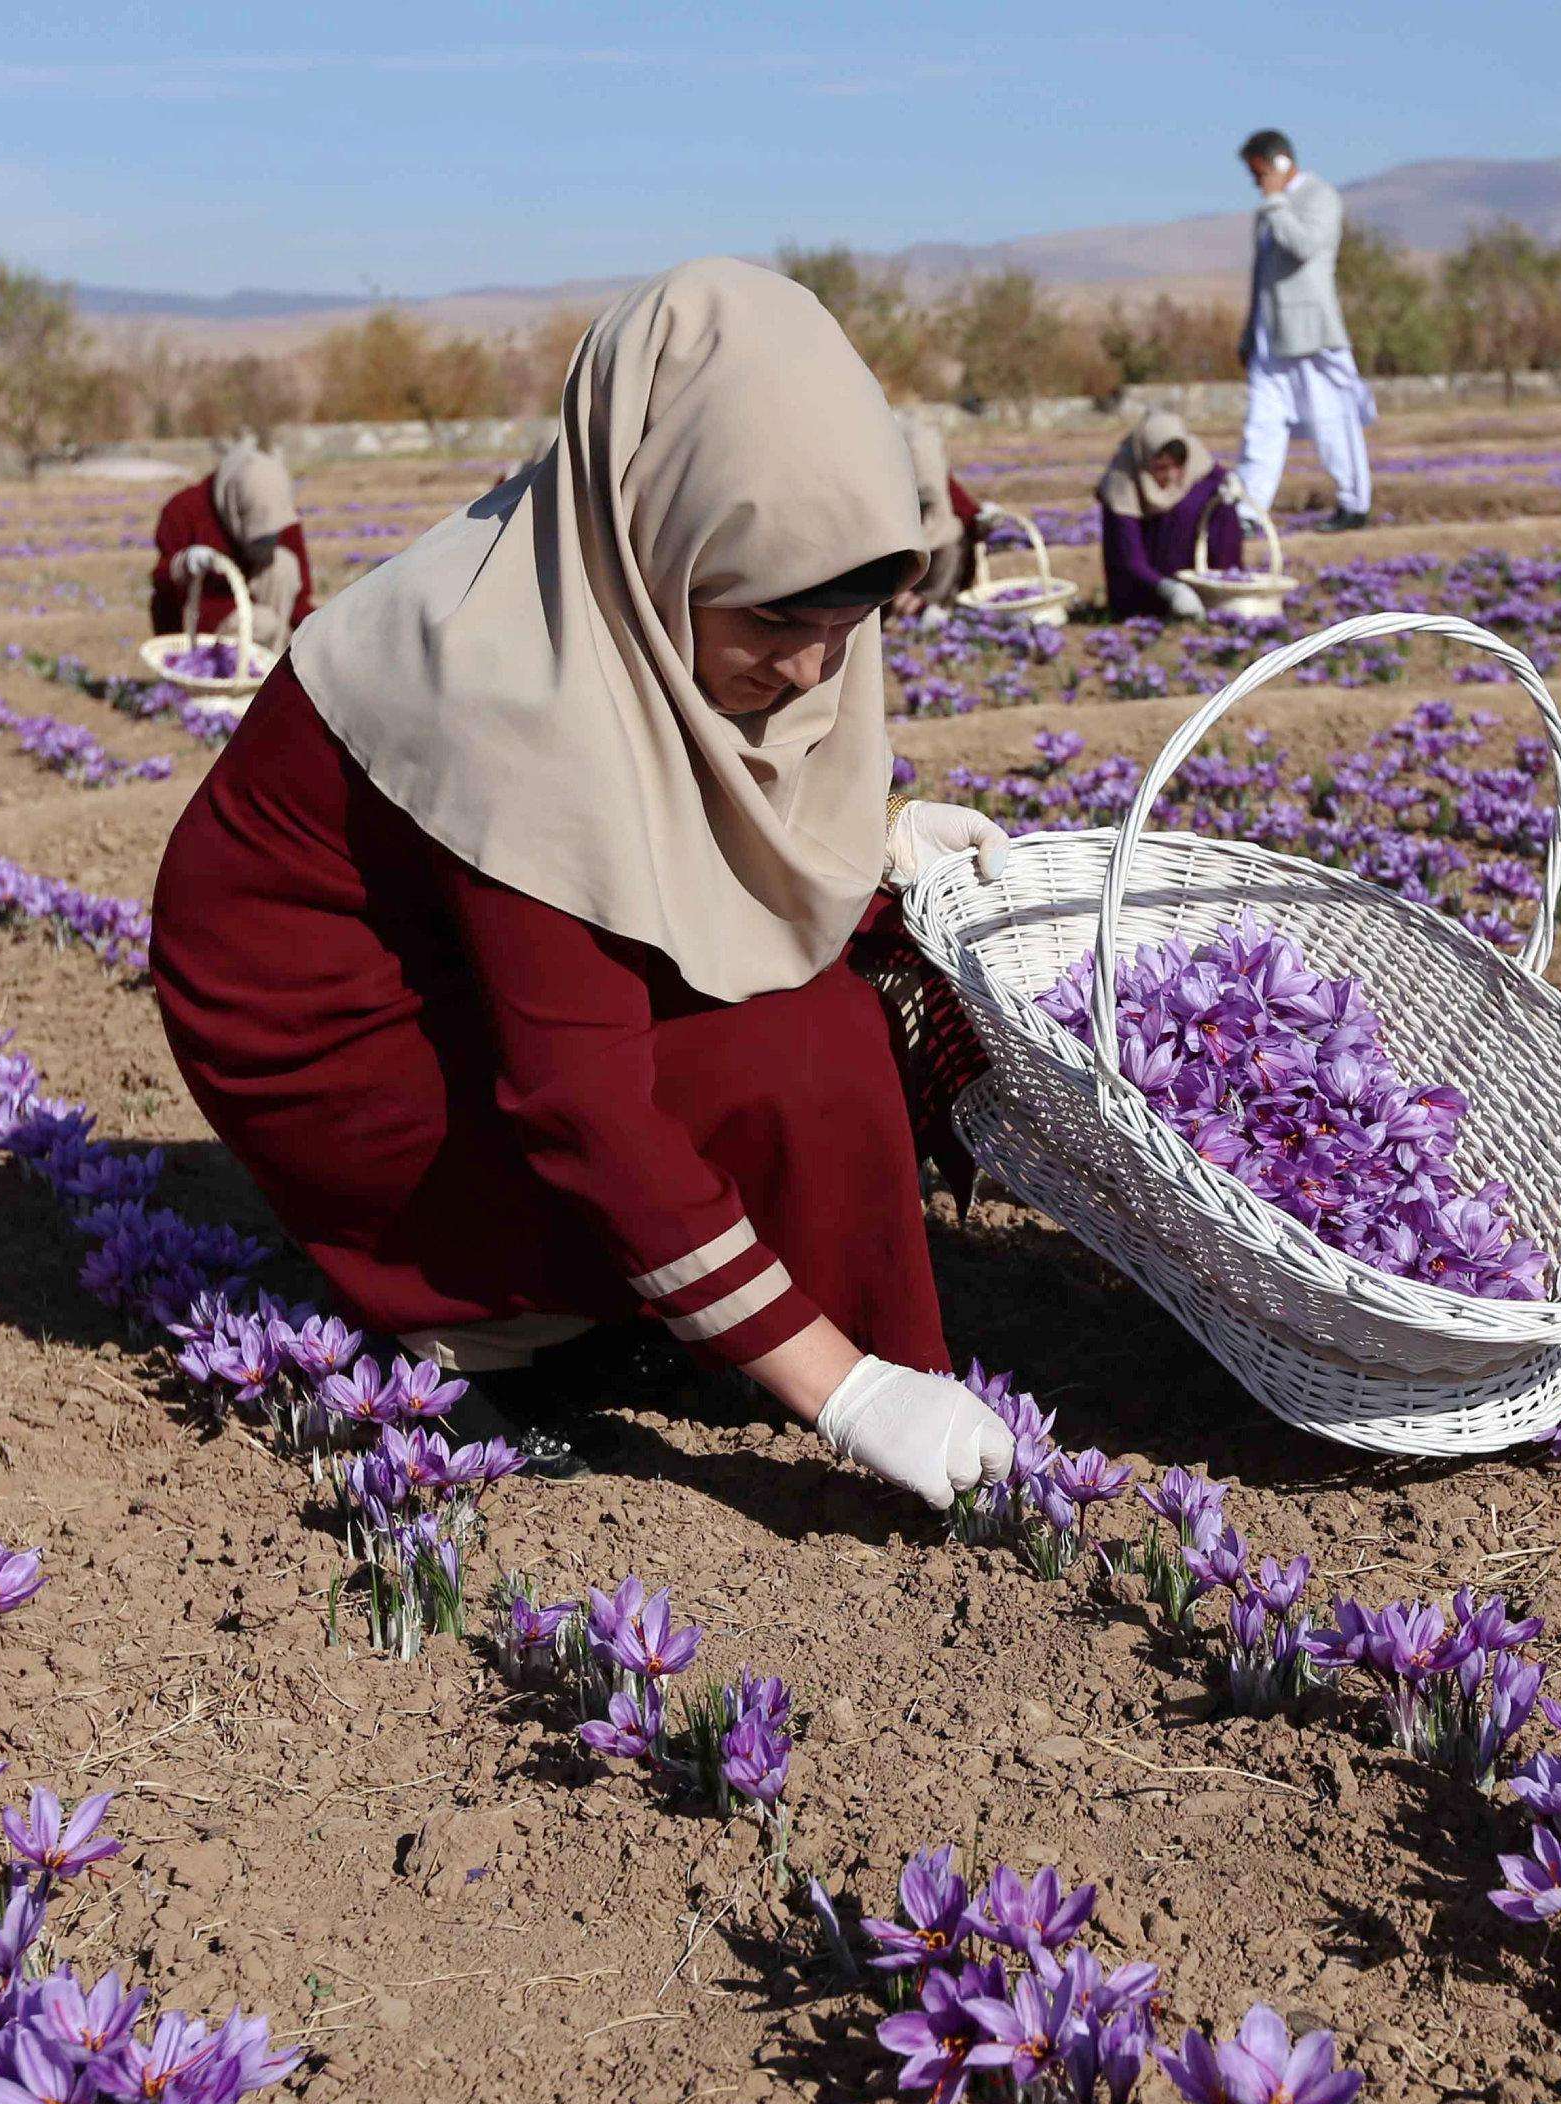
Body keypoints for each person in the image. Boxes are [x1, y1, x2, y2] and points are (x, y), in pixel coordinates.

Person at [148, 259, 1022, 1507]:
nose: (811, 670)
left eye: (849, 621)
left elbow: (676, 823)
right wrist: (848, 1389)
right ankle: (472, 1321)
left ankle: (693, 1298)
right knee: (794, 1055)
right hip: (334, 1030)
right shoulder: (516, 688)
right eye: (771, 625)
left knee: (823, 1002)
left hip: (454, 940)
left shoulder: (654, 577)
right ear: (664, 542)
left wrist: (869, 840)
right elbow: (580, 1104)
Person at [1233, 128, 1375, 532]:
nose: (1256, 184)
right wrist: (1248, 335)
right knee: (1260, 426)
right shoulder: (1268, 210)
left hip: (1311, 333)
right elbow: (1260, 279)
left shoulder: (1319, 197)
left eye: (1259, 174)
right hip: (1271, 337)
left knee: (1332, 420)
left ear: (1279, 163)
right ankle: (1247, 512)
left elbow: (1306, 246)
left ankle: (1353, 504)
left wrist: (1277, 201)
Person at [152, 441, 316, 642]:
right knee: (264, 624)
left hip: (269, 611)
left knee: (283, 564)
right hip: (208, 617)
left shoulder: (276, 509)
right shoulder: (185, 510)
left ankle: (275, 661)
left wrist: (314, 630)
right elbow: (163, 589)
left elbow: (299, 597)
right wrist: (185, 564)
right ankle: (257, 663)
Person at [1093, 408, 1243, 619]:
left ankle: (1219, 590)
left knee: (1218, 499)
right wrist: (1170, 589)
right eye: (1162, 468)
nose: (1172, 476)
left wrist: (1230, 482)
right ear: (1146, 459)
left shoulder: (1193, 457)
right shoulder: (1122, 481)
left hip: (1187, 563)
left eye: (1177, 467)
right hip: (1145, 582)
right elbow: (1129, 556)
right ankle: (1170, 598)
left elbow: (1217, 477)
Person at [889, 418, 982, 618]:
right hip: (894, 558)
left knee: (952, 535)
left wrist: (981, 520)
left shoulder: (926, 452)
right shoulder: (893, 468)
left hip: (926, 554)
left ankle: (930, 605)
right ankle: (913, 610)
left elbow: (954, 501)